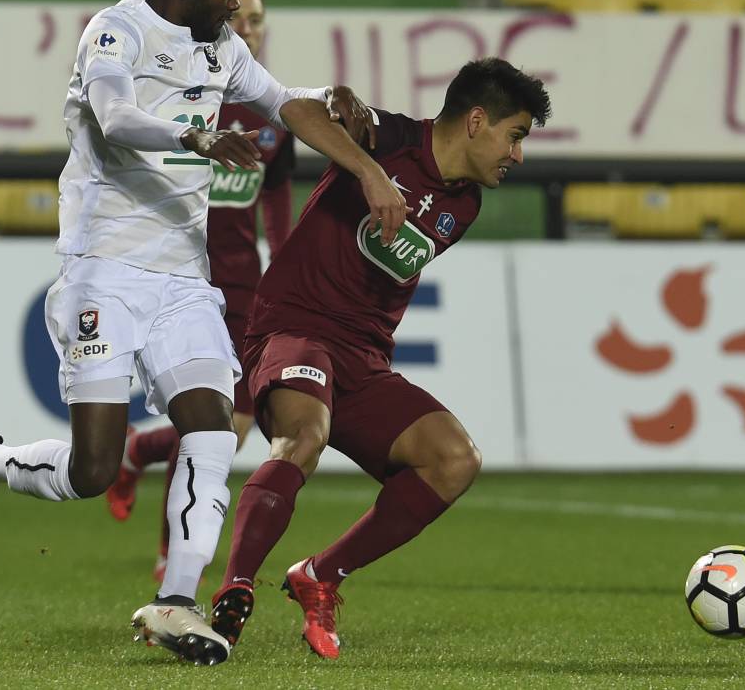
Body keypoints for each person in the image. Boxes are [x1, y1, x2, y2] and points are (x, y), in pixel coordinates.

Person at [0, 0, 406, 667]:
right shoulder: (115, 32)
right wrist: (193, 136)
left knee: (212, 429)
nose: (235, 2)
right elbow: (115, 116)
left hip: (184, 278)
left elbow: (284, 101)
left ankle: (177, 601)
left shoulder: (221, 47)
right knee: (93, 469)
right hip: (104, 268)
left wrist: (353, 135)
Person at [206, 58, 551, 660]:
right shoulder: (388, 137)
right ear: (476, 121)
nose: (517, 155)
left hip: (364, 358)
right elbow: (300, 110)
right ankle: (234, 590)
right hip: (294, 327)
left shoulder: (465, 204)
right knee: (303, 437)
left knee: (453, 460)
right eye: (515, 135)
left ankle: (319, 576)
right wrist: (367, 170)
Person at [103, 0, 371, 583]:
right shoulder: (181, 94)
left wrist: (285, 262)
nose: (247, 28)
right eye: (238, 17)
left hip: (246, 288)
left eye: (257, 20)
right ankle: (173, 555)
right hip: (183, 278)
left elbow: (273, 196)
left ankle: (137, 453)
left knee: (234, 425)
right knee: (212, 425)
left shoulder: (269, 112)